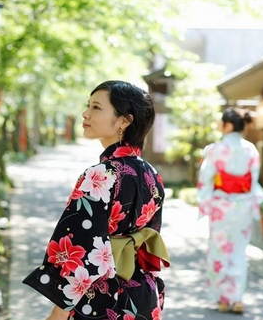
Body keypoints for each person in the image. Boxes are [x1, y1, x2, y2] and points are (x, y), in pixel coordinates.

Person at [23, 80, 170, 320]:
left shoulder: (101, 174)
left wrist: (59, 312)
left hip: (101, 299)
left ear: (124, 120)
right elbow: (147, 240)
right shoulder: (152, 174)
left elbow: (81, 247)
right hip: (142, 296)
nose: (86, 113)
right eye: (88, 106)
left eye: (96, 108)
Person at [196, 107, 263, 314]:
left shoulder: (215, 149)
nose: (219, 125)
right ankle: (237, 298)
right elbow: (253, 180)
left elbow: (206, 179)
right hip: (243, 206)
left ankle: (223, 299)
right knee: (239, 251)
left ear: (228, 125)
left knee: (220, 251)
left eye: (221, 122)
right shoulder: (251, 150)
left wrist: (205, 202)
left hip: (221, 206)